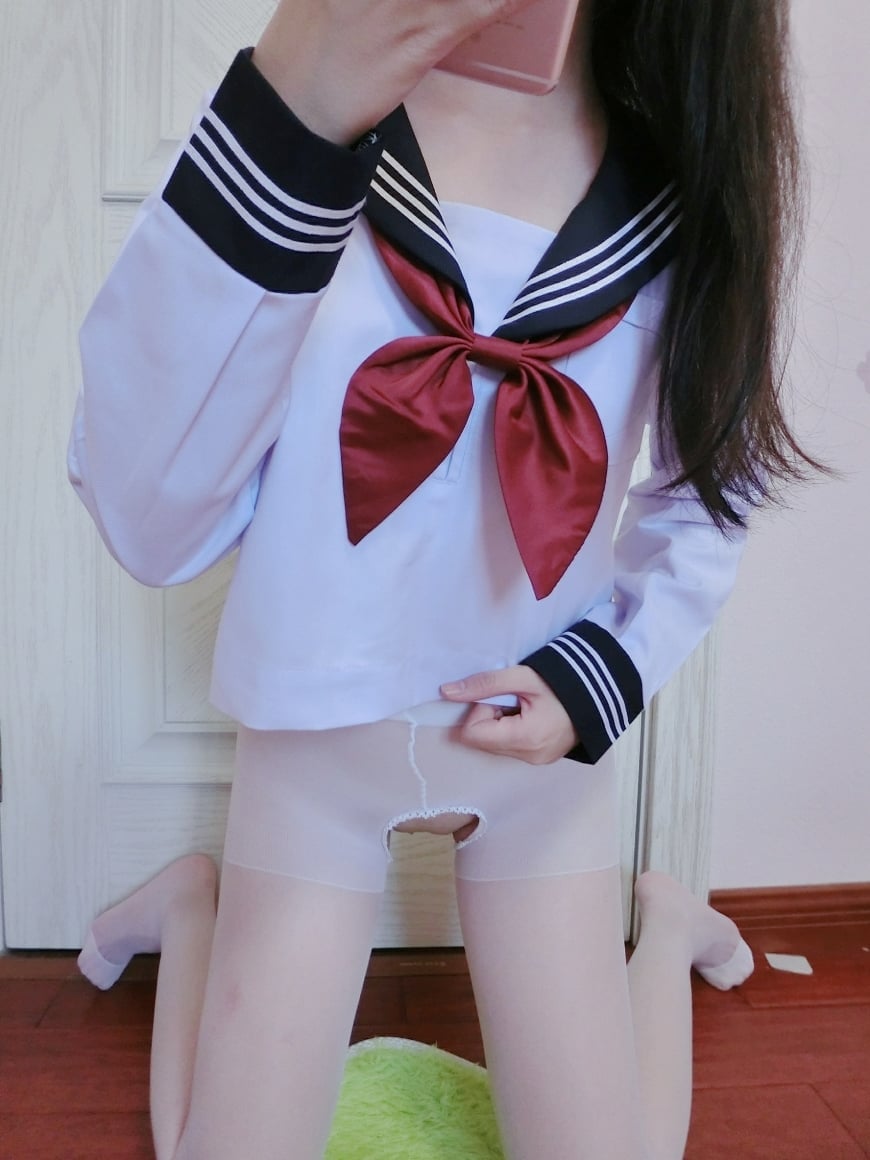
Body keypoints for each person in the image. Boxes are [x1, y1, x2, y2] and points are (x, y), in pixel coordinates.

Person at [68, 2, 813, 1157]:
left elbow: (713, 486)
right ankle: (190, 904)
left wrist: (601, 672)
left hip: (534, 754)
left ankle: (665, 927)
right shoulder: (300, 121)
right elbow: (149, 522)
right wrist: (291, 108)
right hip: (314, 737)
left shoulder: (685, 183)